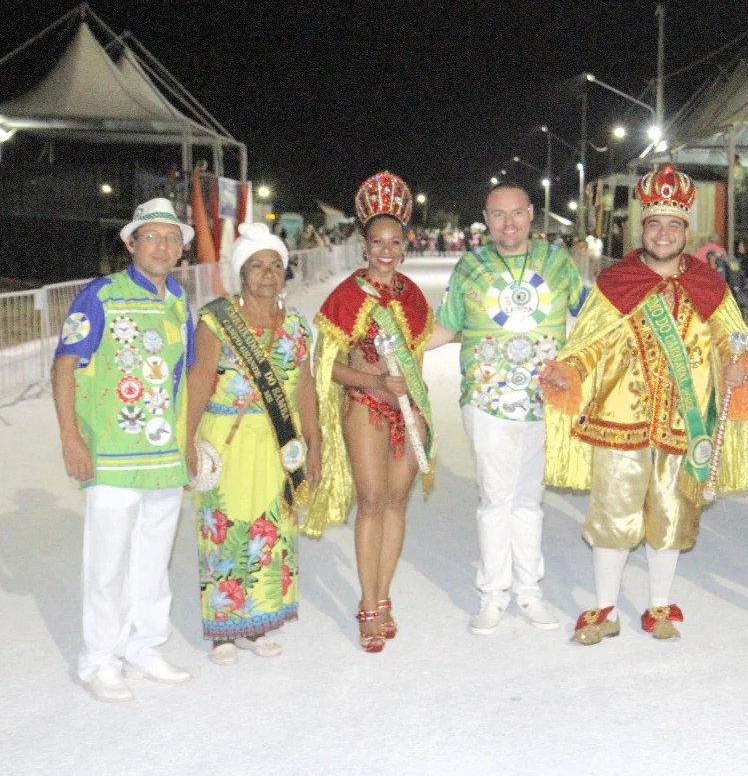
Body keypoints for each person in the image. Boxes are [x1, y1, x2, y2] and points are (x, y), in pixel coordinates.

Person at [541, 163, 748, 646]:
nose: (663, 233)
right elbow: (588, 343)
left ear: (688, 229)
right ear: (641, 229)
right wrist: (569, 370)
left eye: (673, 224)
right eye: (655, 224)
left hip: (685, 424)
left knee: (671, 515)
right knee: (614, 515)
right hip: (620, 421)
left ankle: (658, 606)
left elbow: (734, 339)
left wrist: (736, 366)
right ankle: (604, 608)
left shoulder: (709, 284)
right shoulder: (616, 281)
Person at [52, 197, 197, 702]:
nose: (163, 246)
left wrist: (191, 441)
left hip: (163, 457)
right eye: (152, 236)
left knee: (152, 560)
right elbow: (66, 365)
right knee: (108, 563)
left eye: (172, 238)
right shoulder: (101, 295)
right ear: (131, 243)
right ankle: (100, 660)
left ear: (181, 248)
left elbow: (185, 376)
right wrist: (71, 435)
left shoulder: (179, 299)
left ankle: (144, 646)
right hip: (111, 454)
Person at [304, 172, 450, 653]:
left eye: (394, 242)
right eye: (376, 242)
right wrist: (376, 383)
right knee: (371, 502)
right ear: (364, 245)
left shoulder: (411, 296)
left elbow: (424, 346)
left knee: (396, 503)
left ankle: (385, 597)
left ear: (405, 244)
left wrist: (484, 326)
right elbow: (328, 367)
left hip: (409, 411)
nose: (385, 250)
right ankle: (367, 603)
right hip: (364, 408)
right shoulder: (346, 296)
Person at [435, 181, 586, 635]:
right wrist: (397, 352)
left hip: (544, 401)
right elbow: (445, 327)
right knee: (493, 500)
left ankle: (529, 592)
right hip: (486, 401)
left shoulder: (558, 263)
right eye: (498, 215)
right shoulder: (470, 267)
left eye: (516, 213)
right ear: (486, 217)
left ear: (531, 214)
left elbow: (592, 318)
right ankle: (493, 595)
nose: (508, 223)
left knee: (528, 501)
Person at [184, 223, 320, 666]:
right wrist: (185, 440)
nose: (267, 274)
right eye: (257, 266)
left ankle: (260, 619)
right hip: (227, 441)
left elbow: (304, 388)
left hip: (278, 444)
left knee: (273, 528)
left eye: (276, 266)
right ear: (242, 271)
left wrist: (314, 443)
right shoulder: (216, 320)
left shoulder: (297, 326)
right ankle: (224, 628)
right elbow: (200, 379)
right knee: (223, 526)